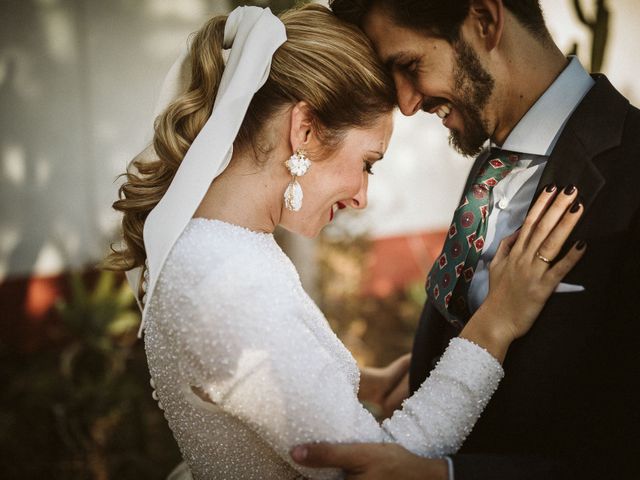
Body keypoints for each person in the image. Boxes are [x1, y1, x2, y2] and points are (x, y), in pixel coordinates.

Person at [104, 4, 585, 480]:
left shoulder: (221, 248)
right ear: (305, 130)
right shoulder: (224, 277)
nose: (361, 196)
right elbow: (379, 465)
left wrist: (358, 388)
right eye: (368, 163)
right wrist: (497, 323)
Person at [292, 0, 640, 479]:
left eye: (409, 65)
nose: (408, 103)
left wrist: (445, 475)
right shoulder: (489, 164)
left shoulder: (633, 172)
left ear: (484, 20)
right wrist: (429, 369)